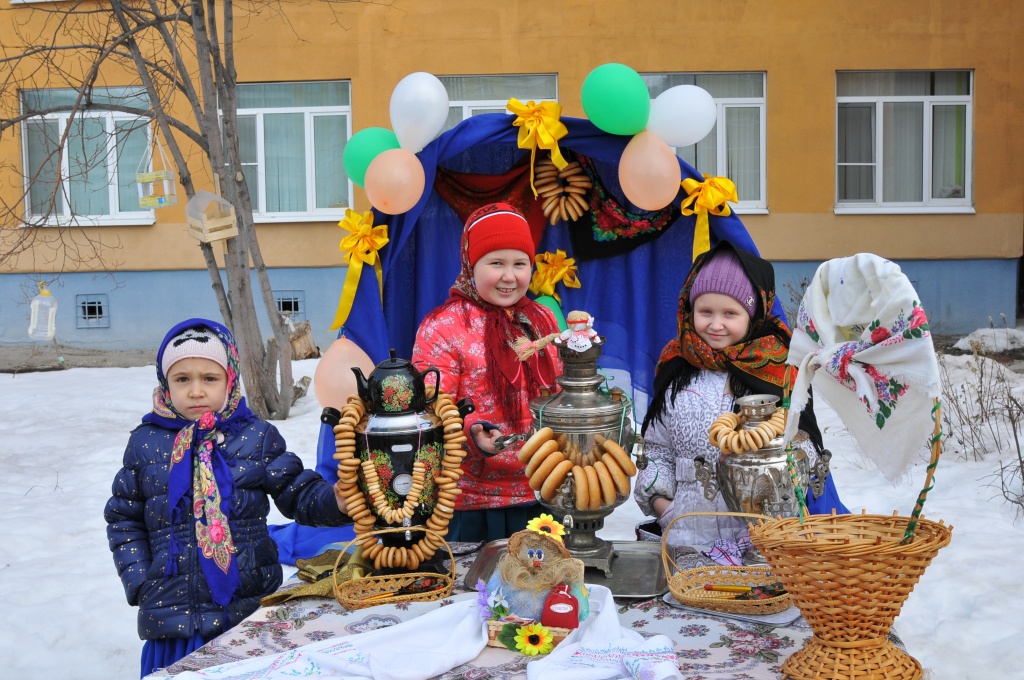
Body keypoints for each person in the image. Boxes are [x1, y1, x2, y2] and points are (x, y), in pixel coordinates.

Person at [104, 318, 351, 677]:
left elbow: (296, 491)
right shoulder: (147, 443)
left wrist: (336, 501)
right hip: (172, 617)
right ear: (165, 383)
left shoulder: (255, 437)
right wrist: (142, 579)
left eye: (209, 378)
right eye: (182, 379)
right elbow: (124, 518)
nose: (196, 391)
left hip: (245, 609)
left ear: (229, 380)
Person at [633, 242, 848, 548]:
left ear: (753, 315)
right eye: (705, 311)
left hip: (764, 543)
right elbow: (657, 449)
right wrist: (662, 505)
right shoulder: (676, 367)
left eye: (730, 313)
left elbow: (805, 449)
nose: (715, 324)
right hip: (685, 538)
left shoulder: (779, 368)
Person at [412, 203, 562, 543]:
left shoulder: (542, 321)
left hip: (540, 490)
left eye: (519, 264)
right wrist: (471, 429)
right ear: (470, 264)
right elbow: (431, 405)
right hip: (470, 500)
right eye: (496, 263)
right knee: (475, 592)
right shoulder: (444, 327)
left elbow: (558, 388)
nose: (510, 276)